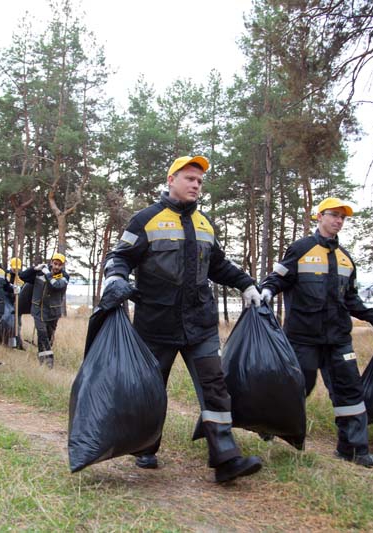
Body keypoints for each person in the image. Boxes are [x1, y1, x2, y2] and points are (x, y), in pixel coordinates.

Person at [102, 155, 263, 484]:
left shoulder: (205, 225)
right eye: (189, 178)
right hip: (155, 324)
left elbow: (218, 265)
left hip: (200, 325)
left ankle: (225, 459)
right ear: (171, 179)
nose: (195, 185)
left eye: (200, 181)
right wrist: (115, 279)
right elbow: (119, 257)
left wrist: (247, 283)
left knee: (216, 388)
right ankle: (145, 447)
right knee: (151, 389)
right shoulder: (145, 220)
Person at [260, 197, 373, 468]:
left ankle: (354, 450)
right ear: (319, 216)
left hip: (338, 340)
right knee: (299, 387)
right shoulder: (300, 249)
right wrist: (265, 291)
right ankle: (273, 425)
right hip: (302, 338)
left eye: (342, 218)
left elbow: (352, 300)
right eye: (333, 215)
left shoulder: (346, 260)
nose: (338, 221)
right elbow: (278, 278)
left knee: (350, 393)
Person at [18, 253, 69, 369]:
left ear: (62, 266)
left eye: (59, 265)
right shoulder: (40, 272)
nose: (56, 267)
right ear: (51, 262)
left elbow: (56, 286)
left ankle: (45, 354)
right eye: (55, 263)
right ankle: (47, 362)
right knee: (42, 334)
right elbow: (22, 276)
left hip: (53, 312)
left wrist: (47, 274)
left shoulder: (64, 276)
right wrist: (34, 269)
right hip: (38, 310)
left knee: (49, 336)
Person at [5, 257, 25, 350]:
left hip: (17, 303)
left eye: (17, 268)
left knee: (18, 324)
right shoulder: (6, 275)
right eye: (14, 268)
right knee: (9, 322)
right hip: (7, 301)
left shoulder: (21, 277)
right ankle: (8, 341)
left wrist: (20, 292)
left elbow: (24, 291)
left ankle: (16, 343)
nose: (15, 270)